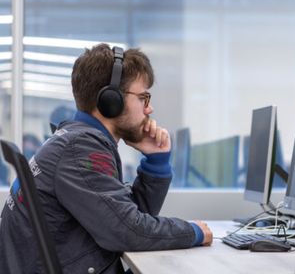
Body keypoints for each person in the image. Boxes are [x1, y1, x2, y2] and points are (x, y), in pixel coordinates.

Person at [0, 44, 213, 273]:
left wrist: (156, 163)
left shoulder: (73, 140)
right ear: (111, 101)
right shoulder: (80, 148)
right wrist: (194, 231)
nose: (149, 109)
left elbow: (126, 217)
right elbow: (128, 231)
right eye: (143, 97)